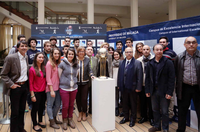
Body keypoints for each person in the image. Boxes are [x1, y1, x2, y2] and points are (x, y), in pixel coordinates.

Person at [145, 44, 175, 132]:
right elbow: (147, 78)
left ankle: (165, 128)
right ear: (153, 51)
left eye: (161, 50)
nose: (159, 51)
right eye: (157, 50)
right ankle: (157, 126)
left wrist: (170, 92)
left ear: (163, 51)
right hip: (153, 91)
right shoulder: (150, 63)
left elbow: (171, 79)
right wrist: (147, 90)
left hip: (164, 91)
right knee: (155, 110)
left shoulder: (168, 62)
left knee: (165, 112)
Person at [1, 41, 29, 132]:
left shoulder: (26, 57)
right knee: (15, 111)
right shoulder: (10, 58)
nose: (24, 48)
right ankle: (14, 130)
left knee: (22, 110)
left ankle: (20, 128)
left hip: (24, 86)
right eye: (22, 46)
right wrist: (12, 85)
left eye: (25, 46)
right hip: (15, 87)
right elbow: (3, 74)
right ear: (18, 48)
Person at [174, 36, 200, 132]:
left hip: (198, 88)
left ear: (197, 44)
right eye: (188, 42)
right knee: (182, 111)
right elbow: (176, 73)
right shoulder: (179, 57)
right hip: (184, 88)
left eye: (193, 42)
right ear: (185, 45)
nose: (191, 44)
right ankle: (181, 130)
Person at [118, 47, 143, 127]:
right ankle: (126, 117)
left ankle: (133, 119)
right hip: (123, 87)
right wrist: (119, 85)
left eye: (130, 52)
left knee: (133, 104)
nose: (129, 53)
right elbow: (119, 75)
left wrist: (138, 87)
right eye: (127, 52)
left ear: (132, 53)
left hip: (133, 88)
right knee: (124, 103)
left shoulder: (137, 63)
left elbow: (140, 76)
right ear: (124, 53)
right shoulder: (121, 62)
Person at [58, 48, 79, 130]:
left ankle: (70, 119)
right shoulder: (62, 64)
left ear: (74, 56)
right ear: (66, 55)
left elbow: (76, 75)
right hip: (64, 88)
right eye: (69, 54)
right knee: (65, 106)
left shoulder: (76, 64)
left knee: (71, 105)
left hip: (73, 88)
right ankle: (64, 120)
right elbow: (58, 76)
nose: (70, 55)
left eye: (72, 54)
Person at [159, 36, 177, 122]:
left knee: (170, 98)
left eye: (163, 42)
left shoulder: (171, 53)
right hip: (159, 81)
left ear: (167, 43)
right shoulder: (157, 53)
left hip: (170, 80)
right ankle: (162, 115)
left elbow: (176, 66)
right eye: (160, 42)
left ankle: (169, 116)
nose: (162, 43)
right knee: (161, 98)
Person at [137, 45, 154, 126]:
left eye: (147, 49)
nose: (146, 51)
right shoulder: (138, 60)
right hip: (142, 85)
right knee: (142, 102)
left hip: (152, 85)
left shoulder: (154, 59)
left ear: (150, 50)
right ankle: (143, 117)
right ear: (142, 51)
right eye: (144, 49)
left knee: (151, 103)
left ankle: (151, 118)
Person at [29, 52, 46, 131]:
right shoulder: (32, 69)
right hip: (36, 92)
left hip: (43, 92)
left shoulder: (44, 68)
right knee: (35, 109)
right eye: (39, 57)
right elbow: (30, 83)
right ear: (36, 58)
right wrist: (32, 95)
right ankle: (35, 124)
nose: (41, 59)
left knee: (41, 108)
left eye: (42, 57)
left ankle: (40, 121)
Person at [76, 46, 94, 122]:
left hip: (85, 82)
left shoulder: (87, 59)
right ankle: (79, 112)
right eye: (80, 51)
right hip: (76, 83)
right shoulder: (74, 60)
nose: (81, 53)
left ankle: (84, 112)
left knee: (84, 99)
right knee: (78, 99)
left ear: (84, 53)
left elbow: (89, 69)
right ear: (78, 52)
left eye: (83, 51)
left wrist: (92, 75)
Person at [46, 48, 62, 129]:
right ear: (52, 54)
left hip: (58, 88)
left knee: (58, 104)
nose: (57, 55)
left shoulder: (58, 63)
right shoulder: (49, 64)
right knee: (49, 105)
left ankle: (54, 118)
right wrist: (51, 90)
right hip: (51, 88)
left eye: (58, 53)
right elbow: (48, 78)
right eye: (55, 53)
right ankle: (51, 121)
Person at [26, 37, 40, 111]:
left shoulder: (38, 51)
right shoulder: (28, 52)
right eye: (32, 42)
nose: (33, 43)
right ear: (29, 44)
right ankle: (30, 104)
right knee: (30, 88)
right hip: (30, 72)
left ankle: (37, 103)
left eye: (34, 42)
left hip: (38, 72)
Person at [85, 47, 98, 114]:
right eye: (88, 50)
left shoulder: (96, 59)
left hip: (94, 81)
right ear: (85, 51)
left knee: (93, 97)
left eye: (91, 50)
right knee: (84, 98)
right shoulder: (83, 59)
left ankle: (91, 110)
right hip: (85, 81)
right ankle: (85, 111)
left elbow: (97, 69)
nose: (90, 51)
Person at [112, 50, 123, 116]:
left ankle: (123, 110)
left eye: (117, 54)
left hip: (121, 81)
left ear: (120, 55)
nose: (116, 56)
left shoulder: (122, 62)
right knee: (115, 96)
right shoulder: (111, 63)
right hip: (113, 81)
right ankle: (116, 108)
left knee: (122, 96)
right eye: (114, 55)